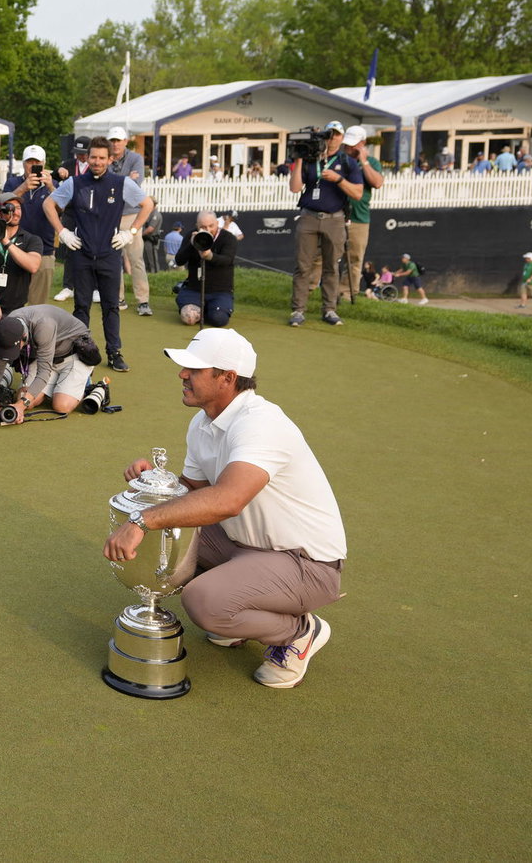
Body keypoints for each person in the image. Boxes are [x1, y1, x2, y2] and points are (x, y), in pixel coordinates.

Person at [104, 328, 346, 689]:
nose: (182, 374)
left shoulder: (260, 423)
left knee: (204, 602)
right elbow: (193, 492)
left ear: (228, 378)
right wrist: (155, 483)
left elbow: (228, 500)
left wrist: (142, 520)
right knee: (171, 537)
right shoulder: (203, 422)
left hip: (306, 564)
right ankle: (242, 613)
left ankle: (299, 632)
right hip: (245, 545)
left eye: (194, 369)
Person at [43, 137, 153, 372]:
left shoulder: (121, 183)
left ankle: (114, 352)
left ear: (110, 159)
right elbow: (48, 205)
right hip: (81, 253)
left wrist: (131, 233)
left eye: (102, 158)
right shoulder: (74, 183)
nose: (97, 161)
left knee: (111, 306)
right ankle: (81, 350)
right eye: (93, 157)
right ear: (87, 158)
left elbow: (148, 205)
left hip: (109, 254)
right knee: (81, 306)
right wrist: (62, 232)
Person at [287, 121, 364, 328]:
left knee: (331, 266)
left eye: (336, 135)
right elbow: (295, 188)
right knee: (303, 266)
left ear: (342, 138)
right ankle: (298, 310)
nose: (332, 138)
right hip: (309, 216)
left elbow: (357, 193)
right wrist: (299, 159)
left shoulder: (347, 162)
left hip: (335, 218)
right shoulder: (311, 159)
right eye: (328, 134)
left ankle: (329, 309)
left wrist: (339, 179)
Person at [0, 305, 99, 422]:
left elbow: (43, 372)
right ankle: (58, 384)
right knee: (24, 398)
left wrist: (20, 406)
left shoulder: (44, 326)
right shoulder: (7, 327)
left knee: (61, 406)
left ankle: (89, 384)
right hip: (45, 356)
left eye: (13, 348)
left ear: (24, 336)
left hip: (73, 355)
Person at [0, 147, 59, 306]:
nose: (33, 166)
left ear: (44, 164)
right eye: (29, 162)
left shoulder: (53, 184)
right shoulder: (13, 183)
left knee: (37, 305)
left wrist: (51, 188)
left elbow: (62, 209)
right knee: (11, 300)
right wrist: (23, 188)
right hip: (13, 246)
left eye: (37, 162)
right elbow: (2, 207)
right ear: (23, 164)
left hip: (44, 249)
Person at [334, 127, 384, 306]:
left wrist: (364, 161)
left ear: (362, 144)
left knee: (355, 259)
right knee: (328, 256)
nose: (349, 148)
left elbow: (377, 183)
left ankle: (347, 294)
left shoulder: (371, 162)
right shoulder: (338, 159)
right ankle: (327, 292)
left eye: (353, 145)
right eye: (347, 145)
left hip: (359, 217)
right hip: (335, 214)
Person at [107, 127, 152, 316]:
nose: (115, 144)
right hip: (111, 216)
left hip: (132, 215)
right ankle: (118, 298)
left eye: (118, 140)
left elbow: (135, 184)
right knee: (113, 260)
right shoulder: (105, 158)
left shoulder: (136, 158)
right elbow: (105, 183)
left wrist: (118, 182)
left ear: (125, 141)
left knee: (136, 259)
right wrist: (126, 179)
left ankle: (143, 300)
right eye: (112, 140)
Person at [173, 212, 237, 327]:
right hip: (194, 289)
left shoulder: (228, 238)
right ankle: (200, 308)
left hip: (220, 290)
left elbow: (227, 260)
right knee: (188, 317)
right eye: (203, 227)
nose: (208, 229)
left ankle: (211, 310)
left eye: (211, 226)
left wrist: (210, 256)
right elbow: (179, 260)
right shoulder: (191, 236)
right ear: (197, 225)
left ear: (217, 223)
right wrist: (192, 244)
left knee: (218, 319)